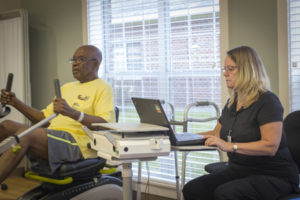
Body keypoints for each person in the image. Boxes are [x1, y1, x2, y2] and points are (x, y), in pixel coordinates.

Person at [183, 46, 299, 200]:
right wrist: (182, 137)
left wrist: (231, 146)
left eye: (231, 69)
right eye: (225, 69)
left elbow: (270, 146)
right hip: (240, 171)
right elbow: (216, 133)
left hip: (274, 176)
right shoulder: (233, 102)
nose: (225, 73)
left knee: (226, 193)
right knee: (193, 189)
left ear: (248, 71)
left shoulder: (267, 101)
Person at [0, 45, 115, 183]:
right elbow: (44, 119)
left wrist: (72, 113)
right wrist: (15, 102)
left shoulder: (103, 88)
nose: (75, 63)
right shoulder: (67, 87)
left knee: (27, 134)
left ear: (96, 63)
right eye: (73, 59)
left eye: (81, 59)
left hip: (78, 143)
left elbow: (105, 124)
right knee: (6, 126)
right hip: (54, 136)